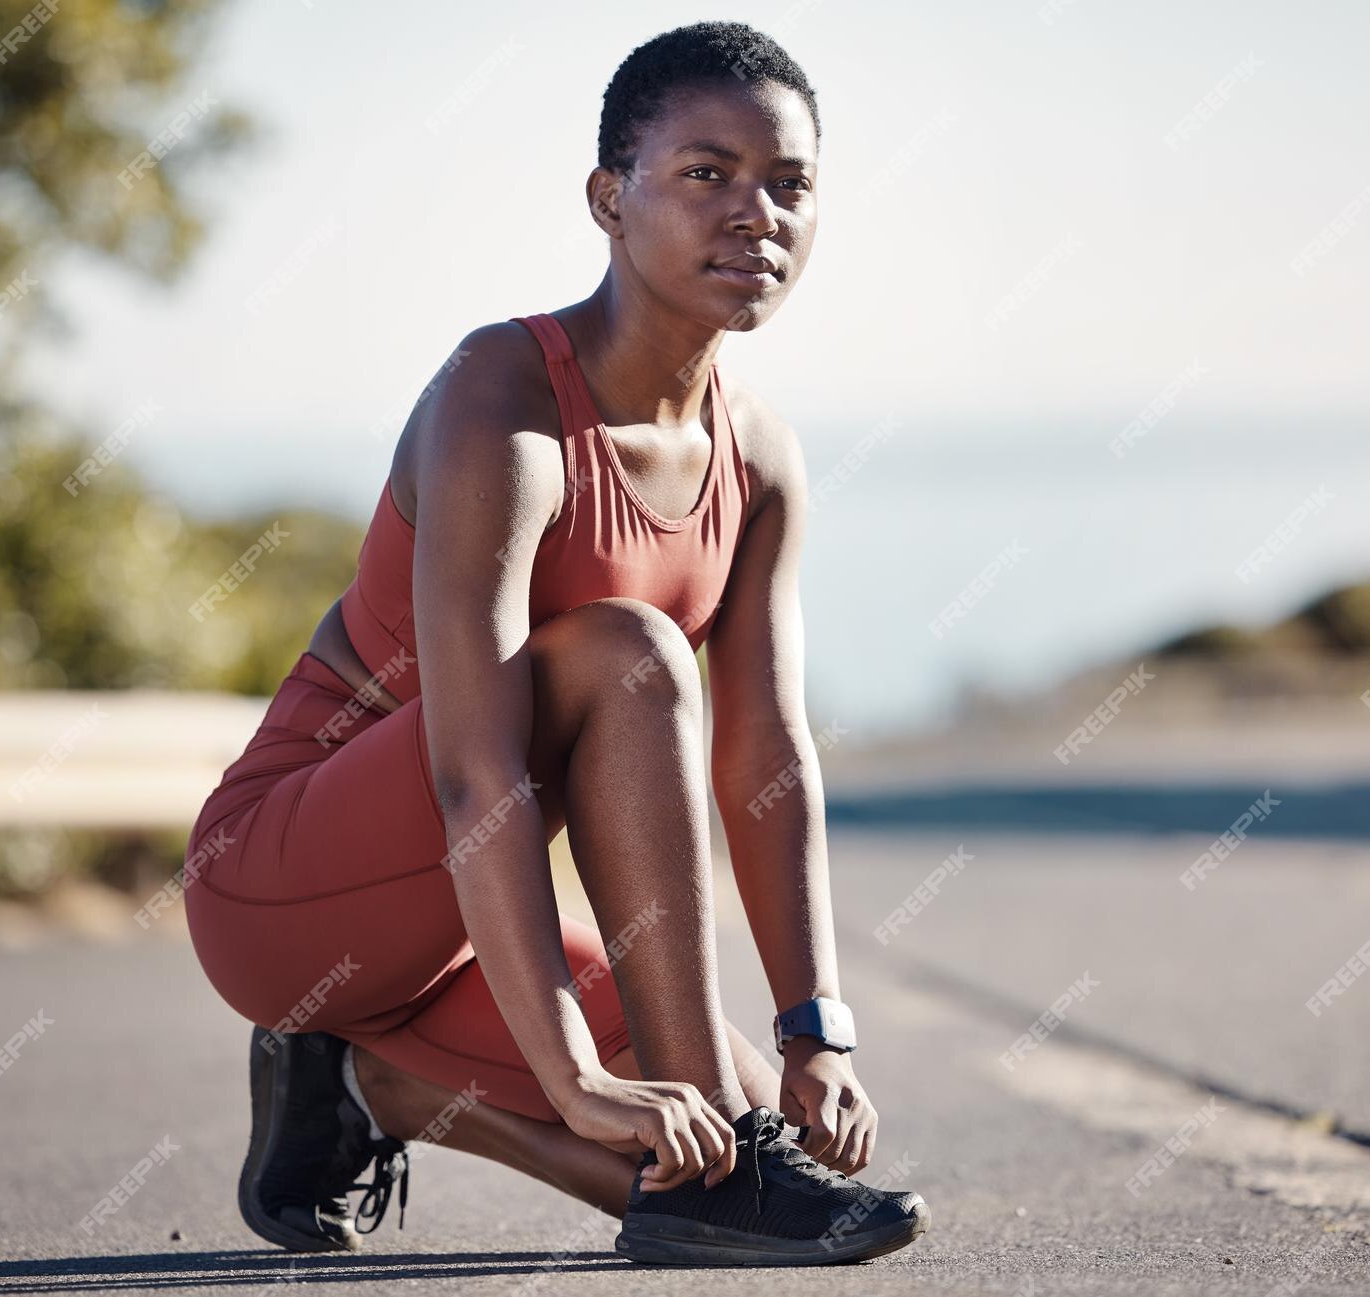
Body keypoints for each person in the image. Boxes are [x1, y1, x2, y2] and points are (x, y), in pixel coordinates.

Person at [183, 20, 929, 1267]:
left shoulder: (759, 458)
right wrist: (577, 1069)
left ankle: (368, 1089)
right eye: (706, 173)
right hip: (289, 886)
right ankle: (705, 1158)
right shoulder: (502, 396)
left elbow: (765, 756)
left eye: (788, 183)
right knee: (628, 651)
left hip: (468, 926)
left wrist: (814, 1030)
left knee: (705, 1159)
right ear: (608, 198)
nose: (756, 212)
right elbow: (475, 775)